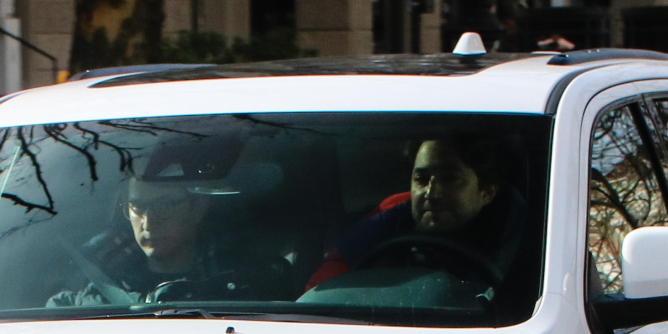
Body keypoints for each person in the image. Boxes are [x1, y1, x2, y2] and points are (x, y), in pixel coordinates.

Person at [307, 134, 532, 295]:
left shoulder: (524, 233)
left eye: (450, 179)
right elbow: (328, 283)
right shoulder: (393, 216)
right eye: (421, 180)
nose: (431, 192)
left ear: (487, 192)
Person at [46, 172, 295, 308]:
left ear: (197, 209)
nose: (148, 222)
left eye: (163, 205)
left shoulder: (245, 283)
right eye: (137, 207)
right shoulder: (102, 286)